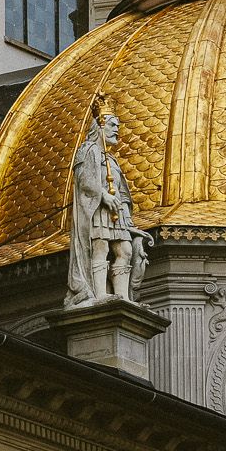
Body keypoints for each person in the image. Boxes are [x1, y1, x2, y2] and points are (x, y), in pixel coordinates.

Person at [65, 103, 150, 306]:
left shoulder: (111, 159)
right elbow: (85, 181)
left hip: (116, 210)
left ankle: (123, 297)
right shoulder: (89, 150)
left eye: (117, 126)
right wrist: (103, 195)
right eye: (112, 125)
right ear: (100, 126)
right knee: (100, 247)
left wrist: (126, 214)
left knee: (125, 251)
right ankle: (100, 293)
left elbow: (122, 189)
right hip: (97, 209)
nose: (116, 130)